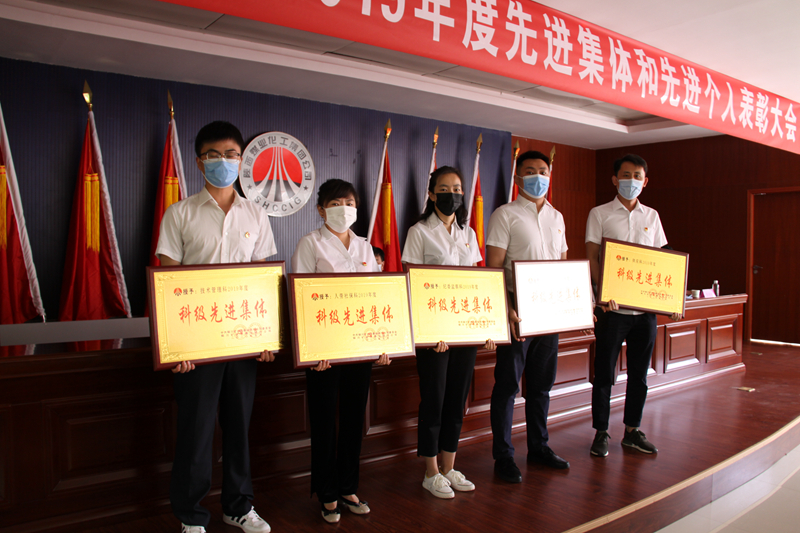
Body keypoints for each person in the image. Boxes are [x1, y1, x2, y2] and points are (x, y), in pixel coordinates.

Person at [156, 121, 276, 533]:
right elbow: (168, 282)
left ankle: (238, 506)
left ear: (241, 161)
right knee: (196, 430)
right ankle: (190, 515)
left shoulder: (255, 214)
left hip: (243, 343)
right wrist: (176, 348)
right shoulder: (180, 213)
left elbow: (263, 282)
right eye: (213, 155)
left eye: (230, 155)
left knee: (238, 427)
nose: (222, 161)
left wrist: (267, 337)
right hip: (196, 347)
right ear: (199, 162)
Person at [291, 179, 391, 523]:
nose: (343, 209)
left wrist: (383, 344)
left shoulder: (364, 247)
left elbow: (376, 297)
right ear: (321, 210)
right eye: (335, 203)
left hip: (359, 350)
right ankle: (327, 493)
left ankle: (348, 487)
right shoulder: (310, 243)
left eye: (349, 203)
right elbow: (301, 298)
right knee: (323, 423)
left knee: (353, 420)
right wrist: (311, 349)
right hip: (323, 354)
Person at [401, 166, 496, 499]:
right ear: (431, 194)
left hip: (464, 332)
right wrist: (430, 331)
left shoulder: (468, 234)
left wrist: (487, 326)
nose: (452, 194)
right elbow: (413, 284)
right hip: (434, 335)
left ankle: (450, 466)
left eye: (457, 188)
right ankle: (431, 472)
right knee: (435, 400)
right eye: (444, 188)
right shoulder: (419, 232)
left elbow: (478, 284)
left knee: (457, 400)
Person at [585, 153, 682, 458]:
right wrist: (603, 293)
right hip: (612, 311)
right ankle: (601, 431)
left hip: (645, 313)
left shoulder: (651, 216)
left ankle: (632, 431)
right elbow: (592, 257)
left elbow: (662, 262)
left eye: (637, 176)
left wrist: (672, 299)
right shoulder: (599, 213)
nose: (631, 181)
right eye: (625, 175)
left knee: (639, 374)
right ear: (615, 180)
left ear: (645, 181)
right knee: (604, 374)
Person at [486, 150, 570, 484]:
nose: (538, 177)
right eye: (531, 171)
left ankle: (539, 447)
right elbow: (494, 267)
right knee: (507, 385)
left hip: (550, 311)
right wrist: (505, 309)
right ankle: (503, 456)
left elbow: (564, 265)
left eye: (543, 171)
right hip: (517, 311)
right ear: (519, 177)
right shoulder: (505, 214)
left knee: (541, 385)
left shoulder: (557, 217)